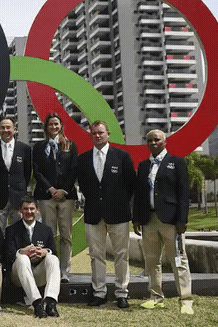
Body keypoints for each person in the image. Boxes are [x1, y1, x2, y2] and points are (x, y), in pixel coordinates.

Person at [76, 120, 136, 309]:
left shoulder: (122, 156)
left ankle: (121, 293)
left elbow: (130, 184)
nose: (98, 136)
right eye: (94, 133)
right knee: (96, 255)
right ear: (91, 136)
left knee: (121, 254)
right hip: (94, 214)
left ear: (108, 134)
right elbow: (84, 186)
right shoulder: (83, 159)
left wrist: (118, 202)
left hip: (119, 214)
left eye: (101, 132)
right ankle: (99, 292)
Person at [133, 129, 193, 315]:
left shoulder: (177, 162)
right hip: (148, 219)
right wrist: (136, 218)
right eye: (149, 140)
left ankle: (186, 300)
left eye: (156, 139)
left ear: (165, 141)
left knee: (178, 260)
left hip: (171, 220)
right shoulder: (143, 166)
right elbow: (139, 194)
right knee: (152, 261)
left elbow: (184, 194)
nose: (153, 143)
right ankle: (155, 297)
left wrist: (182, 219)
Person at [32, 113, 78, 283]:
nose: (53, 127)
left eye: (56, 124)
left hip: (66, 197)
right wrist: (51, 189)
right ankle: (50, 269)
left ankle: (65, 271)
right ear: (46, 127)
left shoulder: (70, 145)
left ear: (61, 126)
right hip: (46, 196)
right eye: (50, 124)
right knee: (48, 234)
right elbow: (37, 171)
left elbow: (74, 169)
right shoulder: (38, 148)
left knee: (66, 235)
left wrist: (63, 190)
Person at [5, 198, 60, 318]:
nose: (29, 212)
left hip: (38, 273)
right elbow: (8, 255)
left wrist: (45, 251)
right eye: (25, 209)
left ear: (37, 210)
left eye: (32, 209)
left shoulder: (46, 230)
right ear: (20, 211)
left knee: (53, 259)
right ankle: (37, 303)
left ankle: (51, 302)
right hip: (19, 275)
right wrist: (21, 251)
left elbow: (54, 252)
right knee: (22, 258)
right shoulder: (11, 230)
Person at [0, 117, 32, 231]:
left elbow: (27, 172)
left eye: (8, 127)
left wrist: (21, 188)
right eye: (2, 127)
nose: (5, 130)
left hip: (18, 197)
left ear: (14, 129)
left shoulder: (24, 149)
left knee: (19, 232)